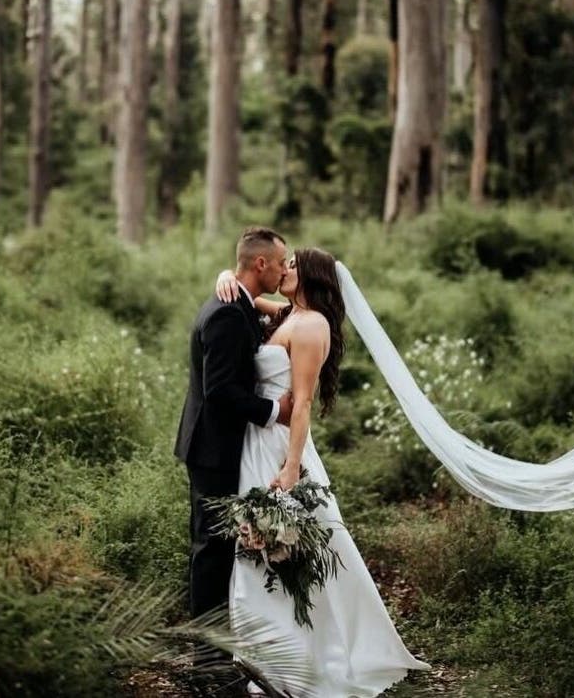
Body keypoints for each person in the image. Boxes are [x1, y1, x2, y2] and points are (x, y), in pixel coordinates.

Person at [215, 247, 429, 698]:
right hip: (255, 443)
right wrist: (224, 275)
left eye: (293, 265)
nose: (284, 269)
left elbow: (304, 402)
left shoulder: (313, 324)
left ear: (312, 275)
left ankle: (306, 658)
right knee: (258, 546)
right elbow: (246, 296)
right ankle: (265, 658)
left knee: (291, 548)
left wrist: (292, 466)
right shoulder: (289, 314)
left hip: (280, 448)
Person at [174, 227, 294, 626]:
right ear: (261, 263)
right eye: (280, 263)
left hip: (223, 446)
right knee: (211, 547)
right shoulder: (227, 312)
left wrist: (227, 274)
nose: (283, 271)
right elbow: (220, 390)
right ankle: (207, 653)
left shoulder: (239, 302)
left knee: (222, 544)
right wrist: (275, 411)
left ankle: (221, 641)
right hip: (213, 448)